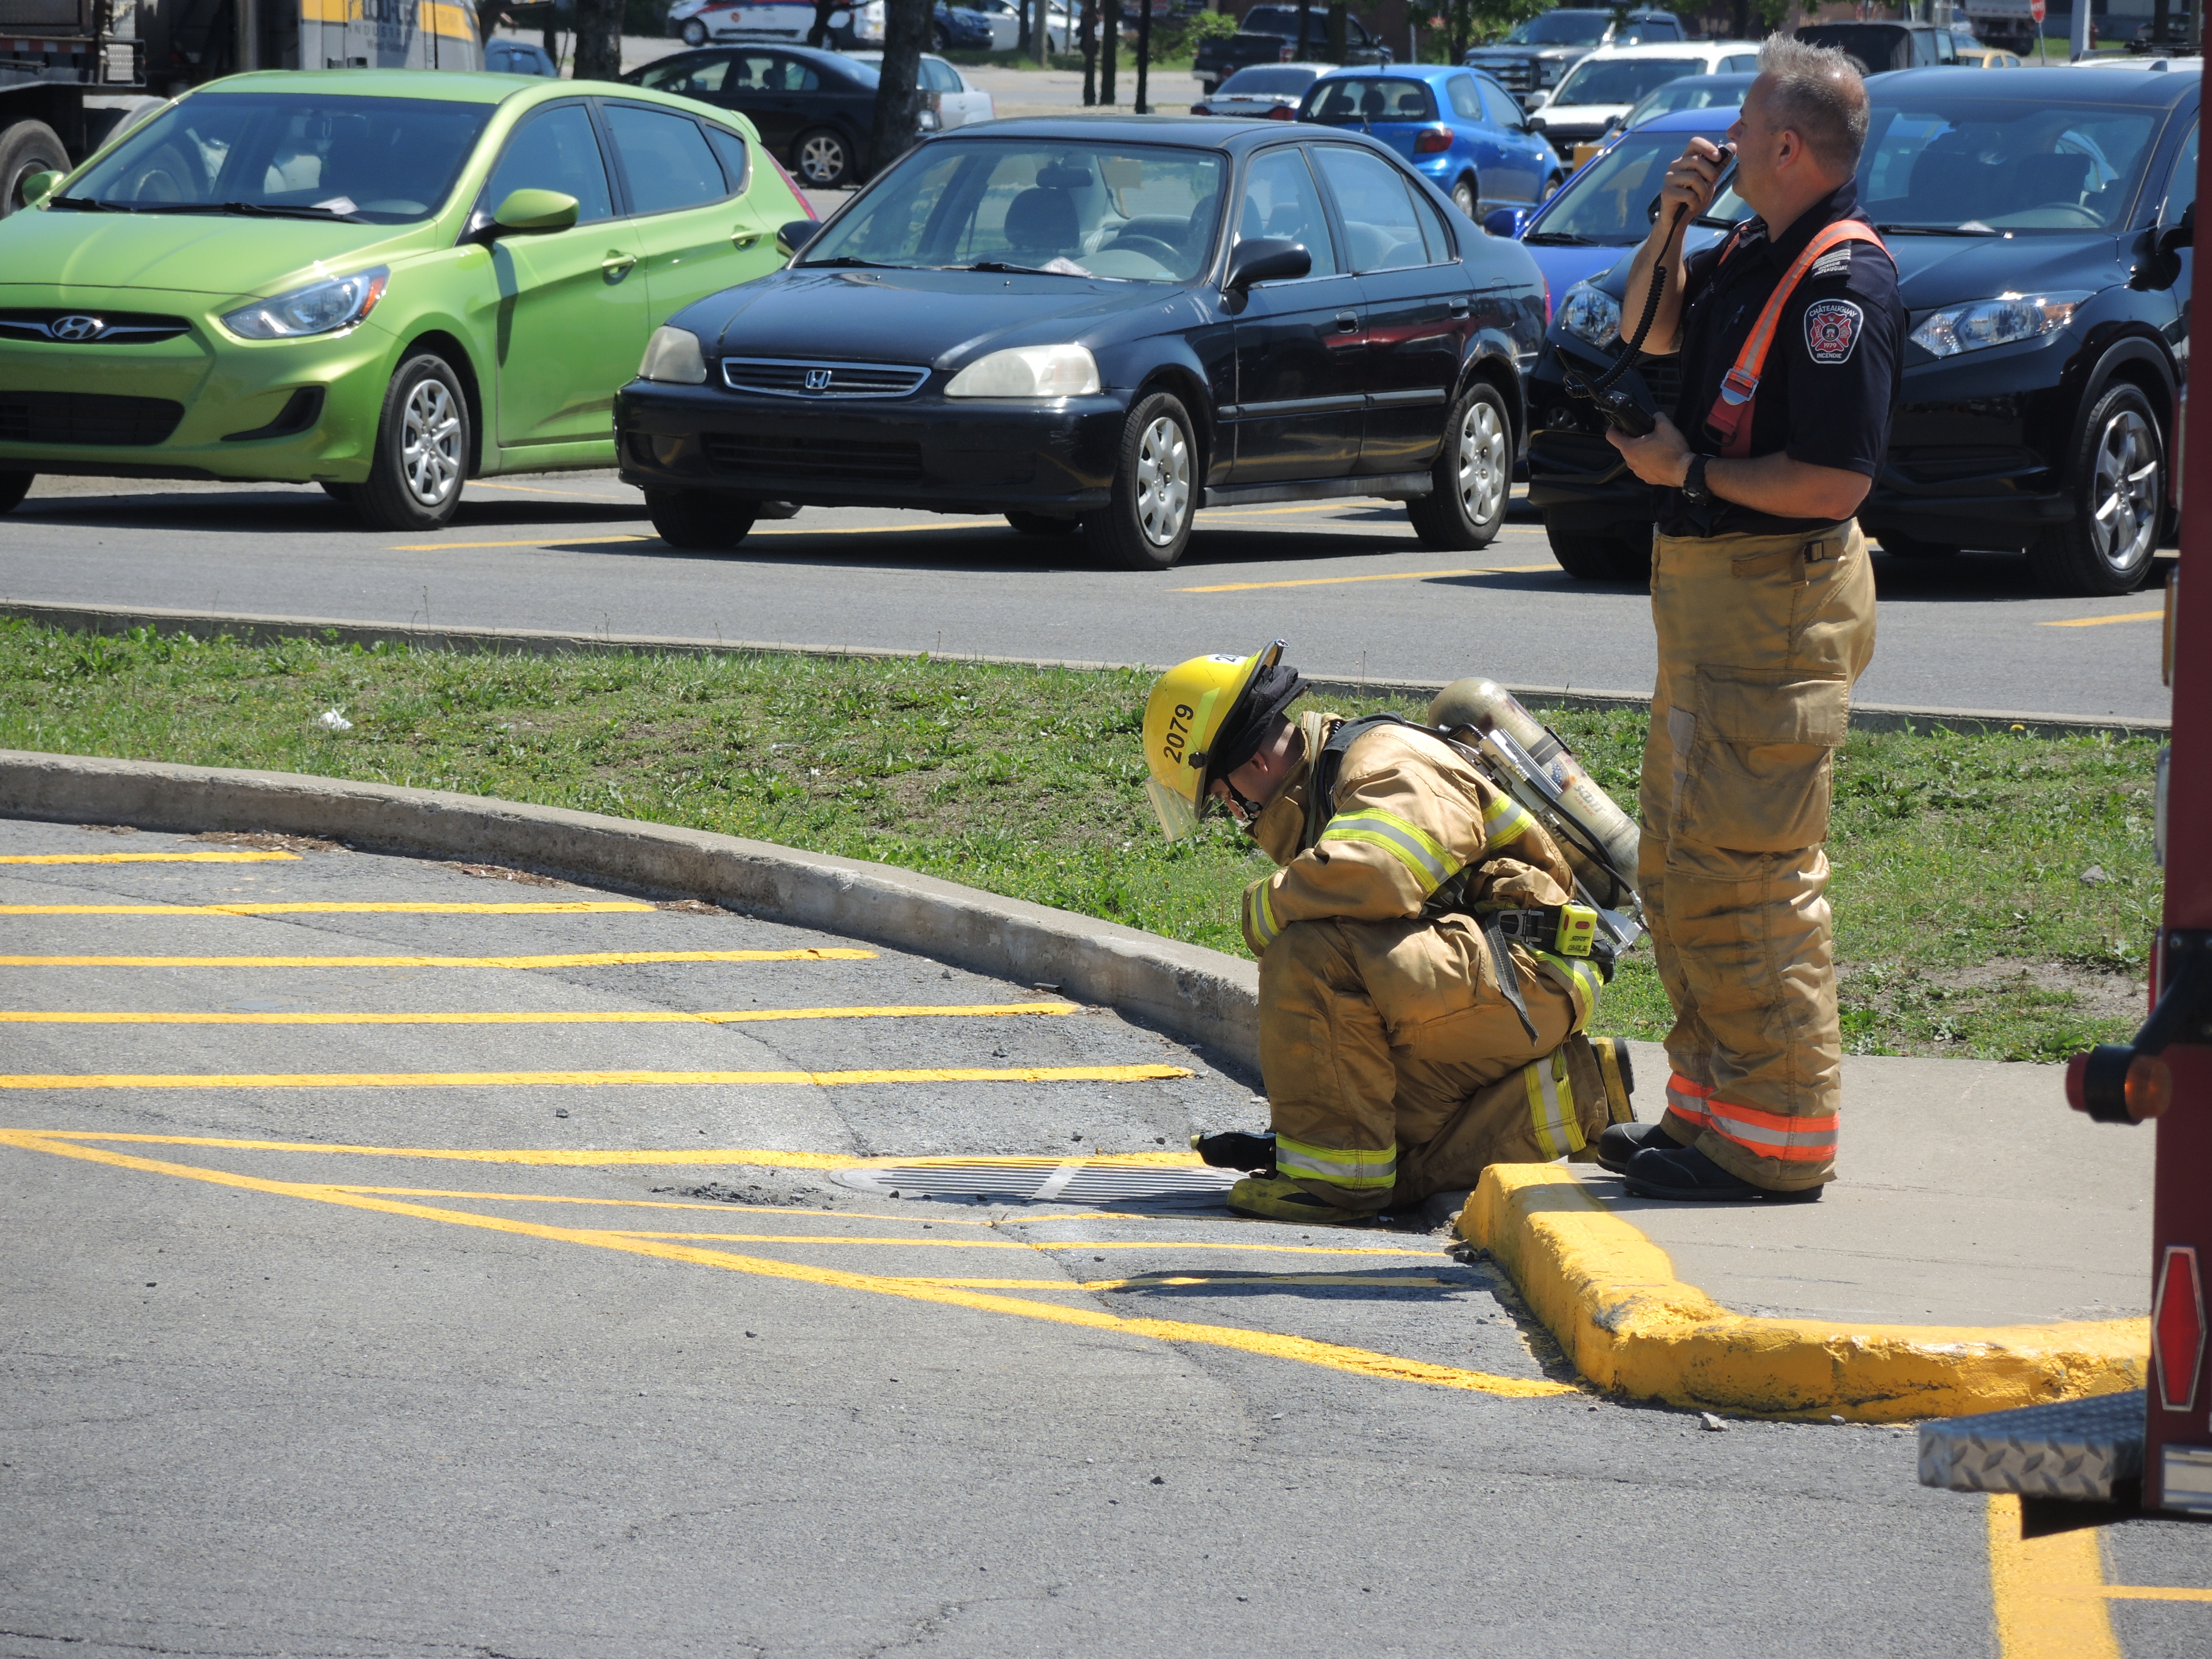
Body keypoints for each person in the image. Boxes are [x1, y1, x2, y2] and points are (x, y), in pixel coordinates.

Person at [1598, 35, 1899, 1202]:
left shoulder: (1840, 281)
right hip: (1714, 611)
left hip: (1775, 610)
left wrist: (1686, 477)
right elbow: (1649, 332)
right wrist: (1669, 220)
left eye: (1735, 127)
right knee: (1678, 869)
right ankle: (1709, 1117)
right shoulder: (1750, 248)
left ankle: (1776, 1143)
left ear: (1784, 144)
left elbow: (1832, 482)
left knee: (1751, 878)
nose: (1716, 142)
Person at [1139, 643, 1624, 1225]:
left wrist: (1263, 908)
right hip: (1501, 974)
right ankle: (1582, 1097)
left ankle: (1332, 1187)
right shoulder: (1327, 785)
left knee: (1309, 956)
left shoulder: (1383, 761)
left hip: (1529, 964)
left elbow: (1378, 874)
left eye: (1225, 800)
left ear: (1255, 767)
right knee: (1375, 1133)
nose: (1240, 818)